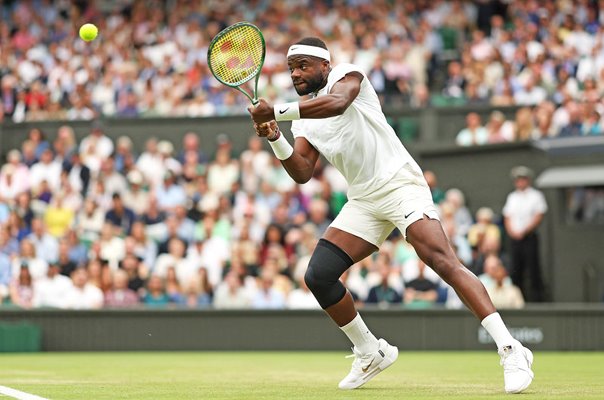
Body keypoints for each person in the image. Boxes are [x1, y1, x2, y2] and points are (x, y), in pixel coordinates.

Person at [248, 37, 533, 393]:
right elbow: (303, 171)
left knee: (440, 259)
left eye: (304, 66)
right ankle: (370, 351)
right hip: (364, 199)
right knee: (318, 275)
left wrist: (276, 112)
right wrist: (275, 135)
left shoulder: (349, 76)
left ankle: (511, 349)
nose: (296, 74)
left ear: (326, 65)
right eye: (292, 68)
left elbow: (336, 104)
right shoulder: (304, 120)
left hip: (399, 183)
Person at [503, 166, 547, 302]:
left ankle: (537, 300)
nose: (520, 182)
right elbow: (507, 217)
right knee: (516, 270)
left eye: (522, 179)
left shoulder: (536, 196)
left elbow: (539, 215)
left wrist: (524, 231)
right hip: (515, 239)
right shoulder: (512, 197)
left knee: (533, 269)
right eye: (517, 180)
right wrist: (513, 232)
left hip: (528, 238)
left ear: (527, 180)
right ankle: (517, 300)